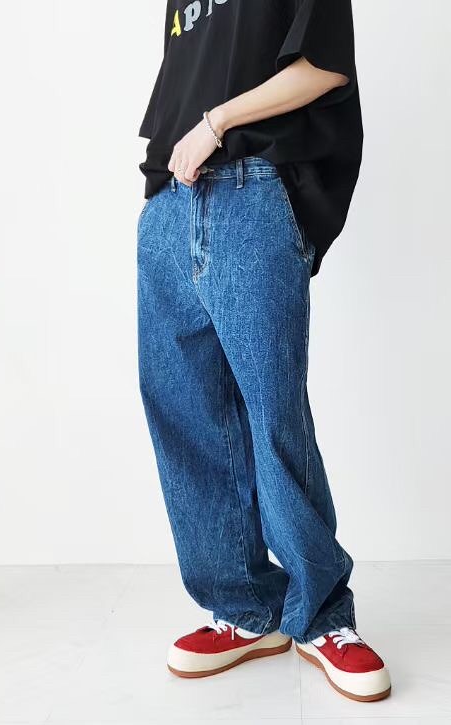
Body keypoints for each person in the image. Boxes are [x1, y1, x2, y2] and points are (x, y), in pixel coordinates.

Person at [137, 0, 391, 702]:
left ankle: (322, 615)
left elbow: (325, 66)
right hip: (170, 204)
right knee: (186, 417)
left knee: (274, 414)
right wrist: (159, 190)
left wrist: (215, 123)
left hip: (250, 192)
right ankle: (246, 608)